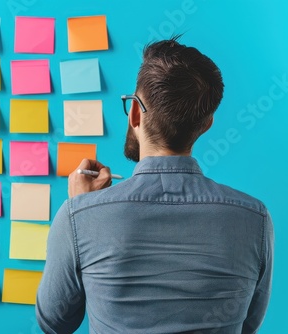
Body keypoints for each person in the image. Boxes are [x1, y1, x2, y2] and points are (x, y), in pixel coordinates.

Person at [36, 37, 274, 334]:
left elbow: (55, 323)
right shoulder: (255, 219)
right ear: (207, 123)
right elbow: (247, 324)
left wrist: (79, 210)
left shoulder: (77, 216)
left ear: (135, 112)